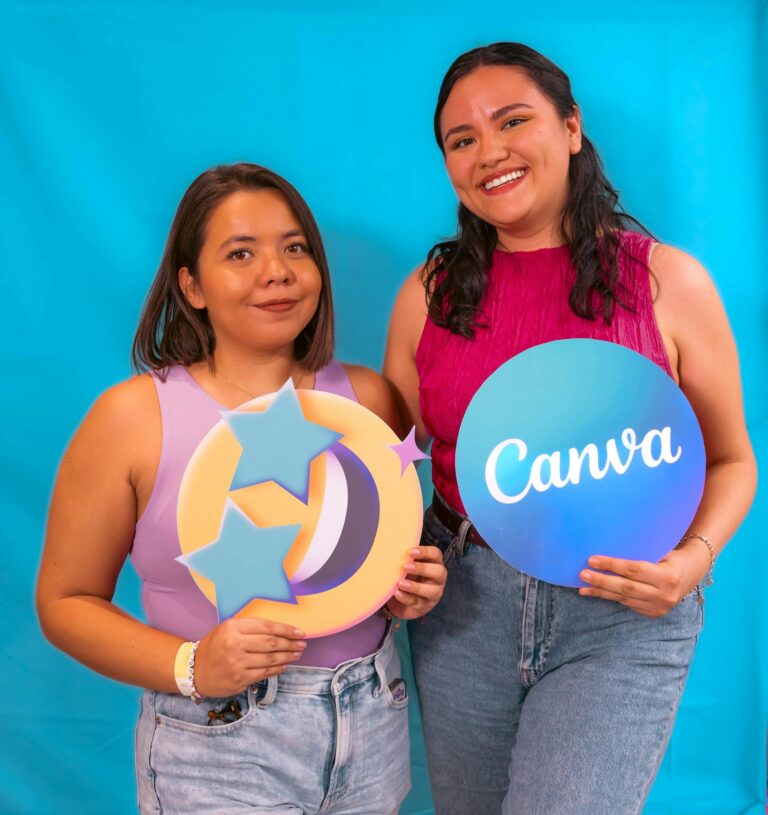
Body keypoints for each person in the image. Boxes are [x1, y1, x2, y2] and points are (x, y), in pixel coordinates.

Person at [384, 43, 756, 815]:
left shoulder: (667, 283)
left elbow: (731, 459)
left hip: (618, 609)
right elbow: (389, 466)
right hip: (463, 605)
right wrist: (392, 568)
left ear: (572, 128)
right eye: (462, 139)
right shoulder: (427, 295)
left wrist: (692, 560)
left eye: (513, 121)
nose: (491, 152)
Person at [37, 162, 447, 815]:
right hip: (218, 742)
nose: (277, 271)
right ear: (192, 285)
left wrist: (411, 591)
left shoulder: (369, 400)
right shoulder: (133, 418)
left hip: (371, 722)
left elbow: (375, 569)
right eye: (240, 253)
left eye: (295, 248)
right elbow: (65, 600)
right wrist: (193, 664)